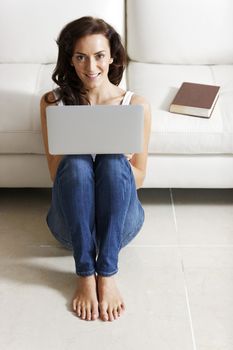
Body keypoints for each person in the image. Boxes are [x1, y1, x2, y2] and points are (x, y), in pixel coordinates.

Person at [40, 16, 151, 322]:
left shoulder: (135, 105)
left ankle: (107, 272)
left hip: (119, 227)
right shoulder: (53, 104)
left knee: (114, 160)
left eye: (99, 56)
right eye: (81, 57)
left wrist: (109, 154)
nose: (91, 67)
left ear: (112, 56)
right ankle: (85, 273)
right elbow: (56, 175)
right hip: (71, 229)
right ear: (70, 60)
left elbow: (140, 177)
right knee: (74, 162)